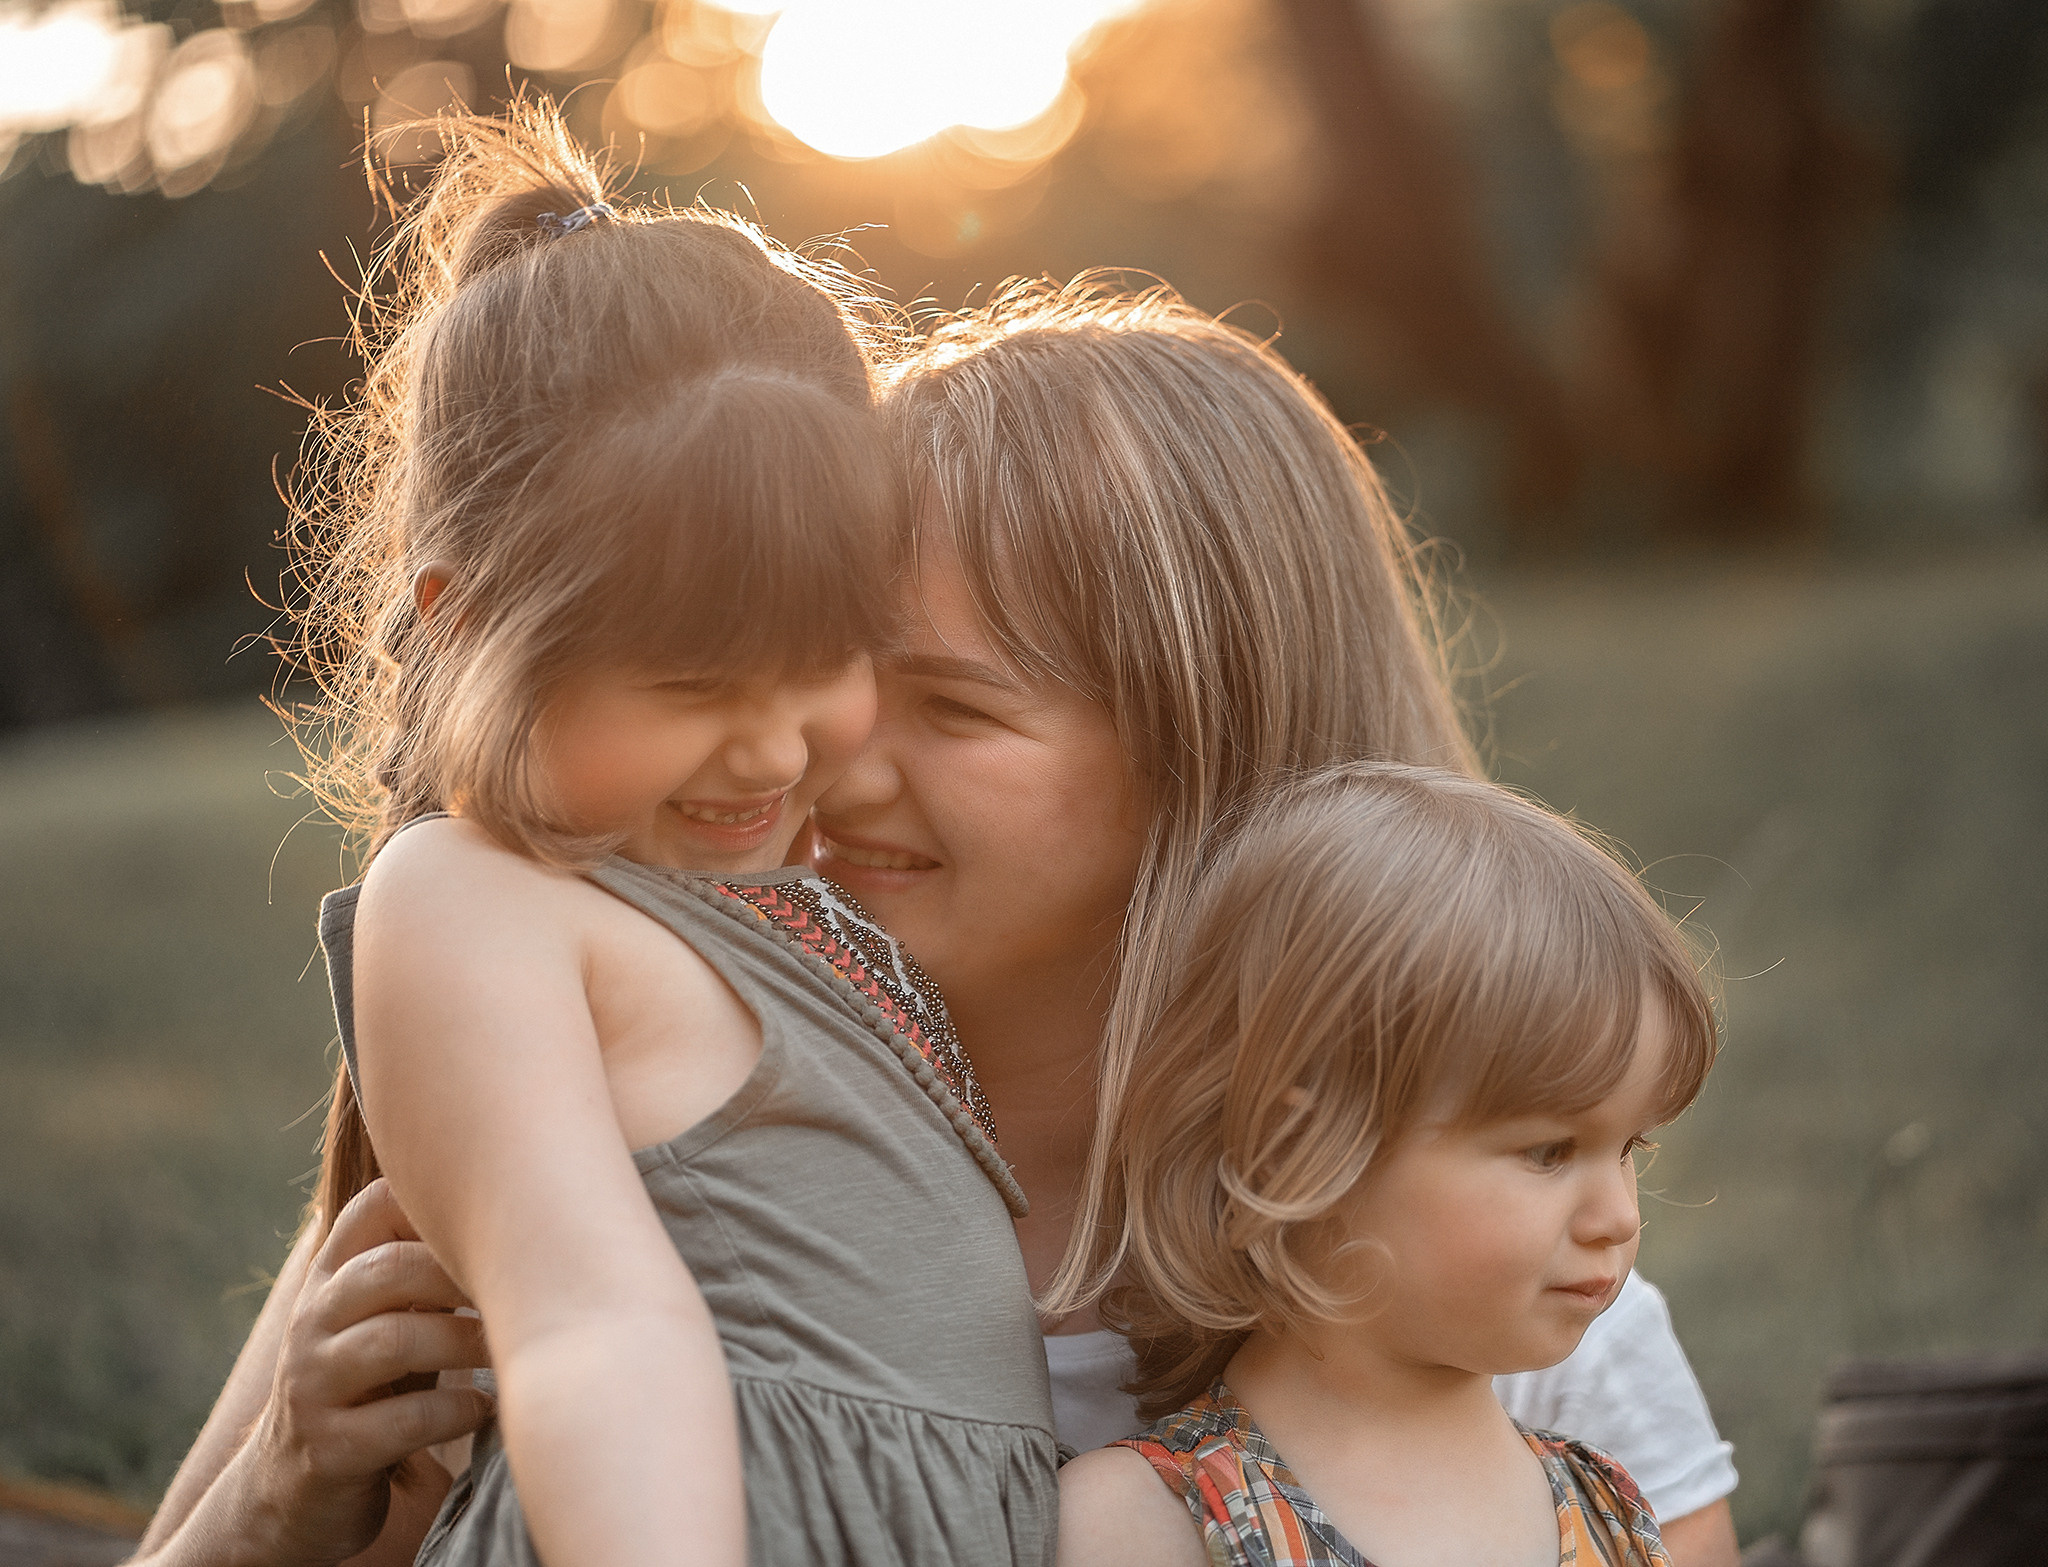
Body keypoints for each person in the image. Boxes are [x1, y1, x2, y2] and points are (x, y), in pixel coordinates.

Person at [134, 282, 1737, 1566]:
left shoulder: (1490, 1281)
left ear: (1217, 756)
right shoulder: (616, 1092)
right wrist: (283, 1498)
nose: (821, 753)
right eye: (812, 660)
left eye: (956, 705)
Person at [143, 102, 1059, 1567]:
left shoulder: (794, 905)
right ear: (469, 623)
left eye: (824, 655)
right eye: (694, 682)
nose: (770, 748)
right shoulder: (473, 896)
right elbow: (597, 1324)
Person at [1046, 761, 1718, 1566]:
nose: (1617, 1217)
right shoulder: (1149, 1523)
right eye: (1548, 1150)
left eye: (1629, 1149)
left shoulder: (1610, 1507)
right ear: (1301, 1147)